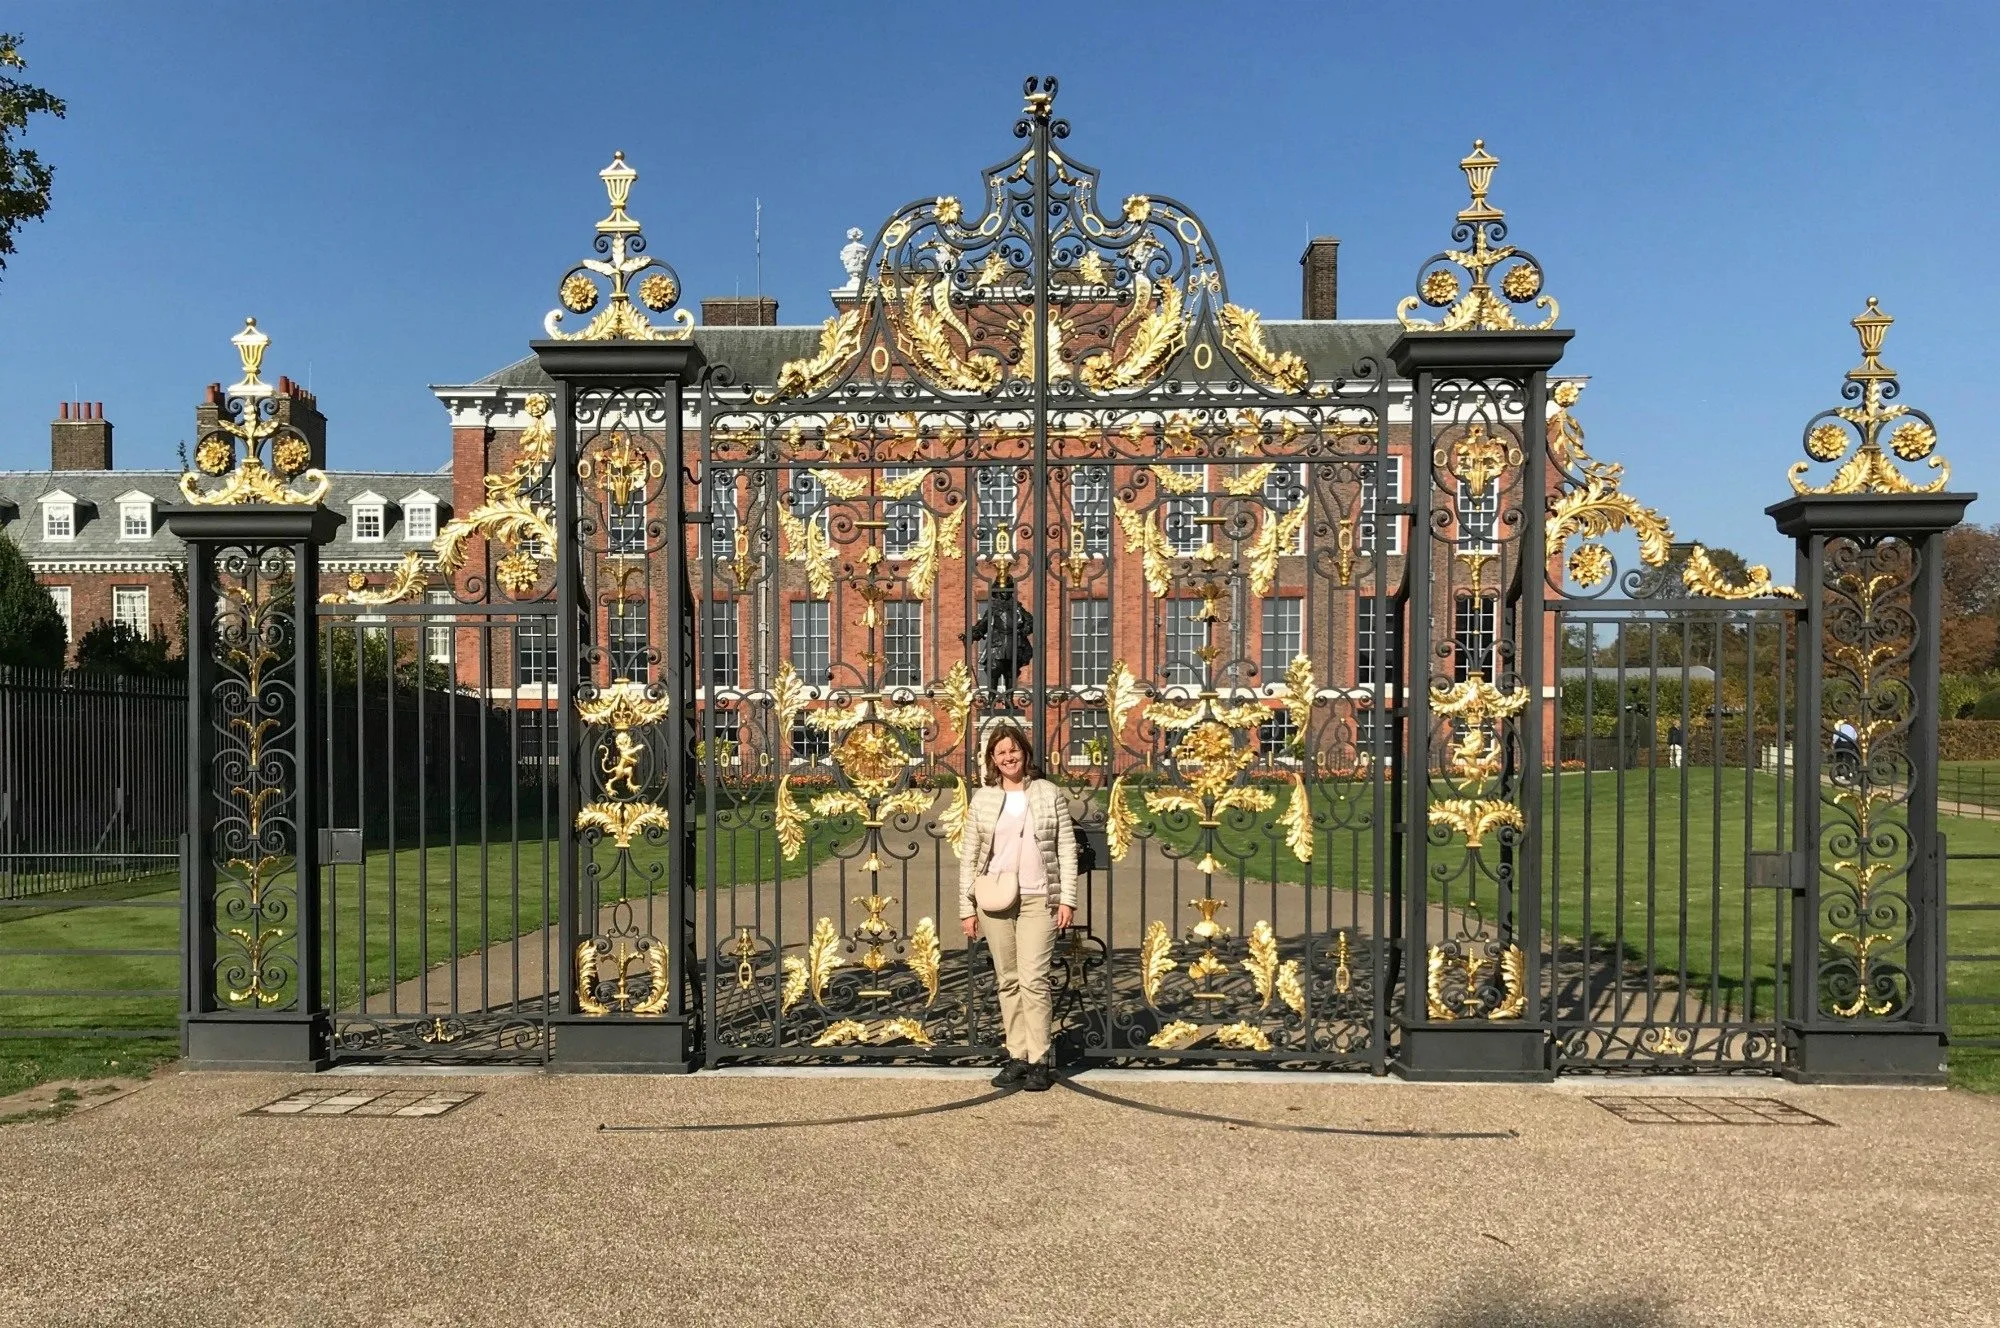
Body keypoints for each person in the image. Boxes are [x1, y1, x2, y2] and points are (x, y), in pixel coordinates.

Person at [958, 723, 1076, 1091]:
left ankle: (1039, 1059)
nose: (1009, 757)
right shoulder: (984, 798)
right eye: (1001, 753)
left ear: (1024, 752)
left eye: (1014, 750)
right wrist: (966, 907)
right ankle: (1017, 1055)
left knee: (1034, 980)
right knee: (1007, 980)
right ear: (992, 760)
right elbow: (969, 856)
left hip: (1039, 898)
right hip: (995, 899)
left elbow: (1066, 848)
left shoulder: (1048, 793)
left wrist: (1067, 898)